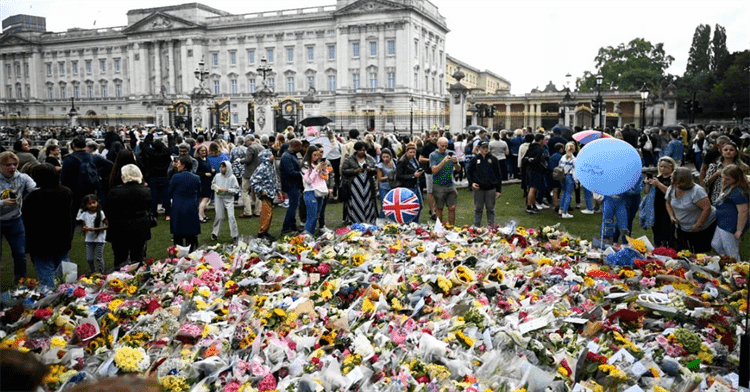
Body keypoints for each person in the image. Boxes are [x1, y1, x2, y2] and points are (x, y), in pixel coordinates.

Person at [22, 163, 73, 288]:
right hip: (62, 237)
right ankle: (69, 294)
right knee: (64, 270)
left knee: (46, 273)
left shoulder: (32, 197)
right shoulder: (65, 192)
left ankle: (51, 299)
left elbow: (27, 221)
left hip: (41, 241)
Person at [106, 164, 152, 269]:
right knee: (138, 257)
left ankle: (120, 280)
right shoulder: (146, 191)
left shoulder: (114, 192)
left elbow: (109, 210)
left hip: (120, 228)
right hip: (140, 226)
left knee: (120, 258)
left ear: (123, 177)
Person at [0, 151, 36, 283]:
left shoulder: (23, 177)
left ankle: (20, 280)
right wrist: (2, 202)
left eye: (15, 164)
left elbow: (35, 190)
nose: (12, 167)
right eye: (8, 165)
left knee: (20, 253)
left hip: (15, 220)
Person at [665, 167, 717, 253]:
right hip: (682, 227)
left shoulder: (697, 191)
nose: (676, 185)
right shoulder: (671, 188)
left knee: (700, 253)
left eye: (679, 183)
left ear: (686, 181)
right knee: (684, 251)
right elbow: (667, 203)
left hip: (702, 227)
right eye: (674, 182)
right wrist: (671, 215)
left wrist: (698, 224)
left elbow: (706, 208)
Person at [710, 165, 749, 261]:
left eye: (727, 178)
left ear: (736, 178)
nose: (724, 180)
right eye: (723, 177)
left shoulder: (738, 192)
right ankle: (729, 263)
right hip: (722, 223)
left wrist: (739, 230)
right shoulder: (729, 187)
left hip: (730, 225)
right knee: (716, 244)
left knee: (731, 251)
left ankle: (737, 271)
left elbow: (743, 212)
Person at [466, 140, 502, 227]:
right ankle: (476, 225)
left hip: (491, 188)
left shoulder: (493, 159)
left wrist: (498, 190)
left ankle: (491, 226)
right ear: (479, 148)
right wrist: (471, 183)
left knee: (490, 209)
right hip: (478, 189)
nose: (486, 149)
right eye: (483, 148)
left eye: (487, 147)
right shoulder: (475, 159)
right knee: (478, 208)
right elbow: (469, 172)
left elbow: (498, 175)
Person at [168, 156, 201, 251]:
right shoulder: (196, 177)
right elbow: (199, 192)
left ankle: (178, 251)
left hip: (178, 206)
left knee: (178, 231)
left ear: (183, 165)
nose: (177, 165)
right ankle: (192, 249)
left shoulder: (176, 177)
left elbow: (169, 191)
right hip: (191, 206)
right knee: (191, 230)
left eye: (179, 163)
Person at [341, 141, 378, 224]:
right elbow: (343, 170)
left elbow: (375, 170)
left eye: (364, 150)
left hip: (367, 184)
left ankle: (369, 218)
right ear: (356, 150)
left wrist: (370, 169)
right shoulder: (349, 159)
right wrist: (354, 171)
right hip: (354, 184)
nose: (362, 152)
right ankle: (354, 219)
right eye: (360, 150)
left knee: (368, 200)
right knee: (355, 201)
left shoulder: (370, 158)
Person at [644, 156, 677, 248]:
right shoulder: (657, 178)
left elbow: (670, 193)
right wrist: (648, 183)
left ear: (672, 168)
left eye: (665, 167)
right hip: (656, 207)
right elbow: (646, 192)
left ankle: (669, 248)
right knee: (656, 230)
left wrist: (658, 184)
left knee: (667, 230)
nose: (662, 169)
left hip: (668, 208)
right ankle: (658, 247)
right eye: (661, 166)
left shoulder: (673, 179)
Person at [429, 137, 460, 226]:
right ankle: (440, 227)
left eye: (446, 146)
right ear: (438, 145)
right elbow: (434, 170)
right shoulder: (433, 155)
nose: (444, 148)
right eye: (442, 146)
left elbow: (458, 169)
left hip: (450, 184)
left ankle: (451, 226)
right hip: (438, 185)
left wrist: (455, 162)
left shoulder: (452, 153)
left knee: (452, 207)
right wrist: (444, 161)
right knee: (439, 208)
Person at [251, 150, 279, 241]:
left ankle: (266, 231)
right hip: (266, 194)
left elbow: (274, 179)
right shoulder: (262, 168)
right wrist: (261, 190)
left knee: (269, 214)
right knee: (266, 213)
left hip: (271, 193)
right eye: (270, 155)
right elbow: (253, 180)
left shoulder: (271, 166)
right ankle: (262, 232)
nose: (272, 156)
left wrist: (277, 190)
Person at [76, 194, 108, 274]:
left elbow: (107, 225)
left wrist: (94, 229)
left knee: (99, 257)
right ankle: (93, 272)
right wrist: (85, 228)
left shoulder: (100, 213)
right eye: (89, 204)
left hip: (99, 239)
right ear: (86, 205)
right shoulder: (84, 214)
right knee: (89, 258)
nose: (92, 205)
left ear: (97, 203)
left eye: (94, 202)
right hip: (89, 239)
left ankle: (101, 273)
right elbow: (84, 223)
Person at [301, 145, 329, 236]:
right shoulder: (305, 165)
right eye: (314, 155)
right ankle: (307, 235)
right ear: (309, 155)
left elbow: (325, 178)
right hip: (310, 191)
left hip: (319, 192)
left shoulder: (317, 164)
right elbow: (308, 180)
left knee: (317, 215)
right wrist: (315, 170)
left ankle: (311, 234)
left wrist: (324, 170)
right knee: (311, 216)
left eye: (318, 155)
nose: (317, 157)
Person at [210, 161, 240, 242]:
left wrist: (226, 190)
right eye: (221, 167)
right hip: (219, 197)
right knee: (219, 216)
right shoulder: (217, 176)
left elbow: (236, 189)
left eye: (223, 167)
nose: (221, 168)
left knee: (231, 216)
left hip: (229, 198)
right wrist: (216, 188)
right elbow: (212, 184)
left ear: (228, 168)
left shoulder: (232, 177)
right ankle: (215, 233)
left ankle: (234, 235)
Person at [395, 142, 424, 223]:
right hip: (408, 186)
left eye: (414, 152)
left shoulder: (414, 159)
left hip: (416, 185)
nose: (413, 154)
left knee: (420, 205)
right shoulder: (402, 161)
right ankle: (409, 222)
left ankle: (415, 222)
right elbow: (399, 175)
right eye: (411, 152)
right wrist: (413, 175)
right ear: (406, 151)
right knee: (410, 206)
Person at [280, 139, 303, 235]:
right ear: (296, 146)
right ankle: (286, 227)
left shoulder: (290, 155)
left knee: (294, 205)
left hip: (294, 184)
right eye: (300, 147)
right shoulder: (287, 156)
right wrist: (302, 173)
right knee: (292, 206)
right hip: (291, 184)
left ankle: (292, 225)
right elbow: (290, 172)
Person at [239, 135, 263, 218]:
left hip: (249, 173)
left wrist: (240, 160)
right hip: (259, 173)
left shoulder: (251, 148)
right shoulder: (262, 147)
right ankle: (258, 211)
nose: (246, 143)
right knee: (258, 193)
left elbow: (248, 160)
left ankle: (248, 212)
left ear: (249, 140)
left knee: (245, 191)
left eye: (246, 142)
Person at [524, 133, 548, 214]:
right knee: (533, 189)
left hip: (529, 169)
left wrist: (530, 160)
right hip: (536, 170)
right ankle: (529, 206)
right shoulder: (539, 149)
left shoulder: (531, 146)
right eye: (544, 140)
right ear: (541, 140)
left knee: (532, 188)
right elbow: (538, 160)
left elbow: (525, 158)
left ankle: (533, 204)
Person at [419, 130, 439, 220]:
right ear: (429, 136)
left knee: (438, 192)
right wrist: (431, 160)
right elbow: (421, 159)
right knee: (430, 191)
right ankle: (433, 211)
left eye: (436, 135)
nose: (434, 137)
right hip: (429, 172)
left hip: (439, 172)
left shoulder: (440, 146)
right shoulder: (427, 146)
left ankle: (434, 208)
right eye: (433, 135)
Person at [194, 144, 214, 222]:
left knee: (205, 199)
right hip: (201, 182)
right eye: (202, 151)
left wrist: (211, 170)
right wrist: (204, 174)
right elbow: (195, 172)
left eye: (205, 150)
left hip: (207, 181)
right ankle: (200, 216)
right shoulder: (197, 160)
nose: (204, 152)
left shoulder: (206, 159)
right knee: (205, 198)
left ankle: (203, 215)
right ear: (198, 151)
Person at [557, 142, 577, 219]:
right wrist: (576, 181)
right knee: (568, 194)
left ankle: (561, 209)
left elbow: (559, 166)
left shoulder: (562, 157)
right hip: (569, 176)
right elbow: (575, 171)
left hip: (562, 176)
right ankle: (565, 212)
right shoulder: (574, 159)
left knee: (563, 193)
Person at [376, 148, 396, 218]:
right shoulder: (380, 165)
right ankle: (381, 220)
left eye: (387, 157)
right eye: (383, 157)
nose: (385, 159)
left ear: (390, 156)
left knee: (393, 205)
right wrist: (388, 177)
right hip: (384, 187)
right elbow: (379, 178)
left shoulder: (394, 162)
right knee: (384, 205)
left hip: (393, 186)